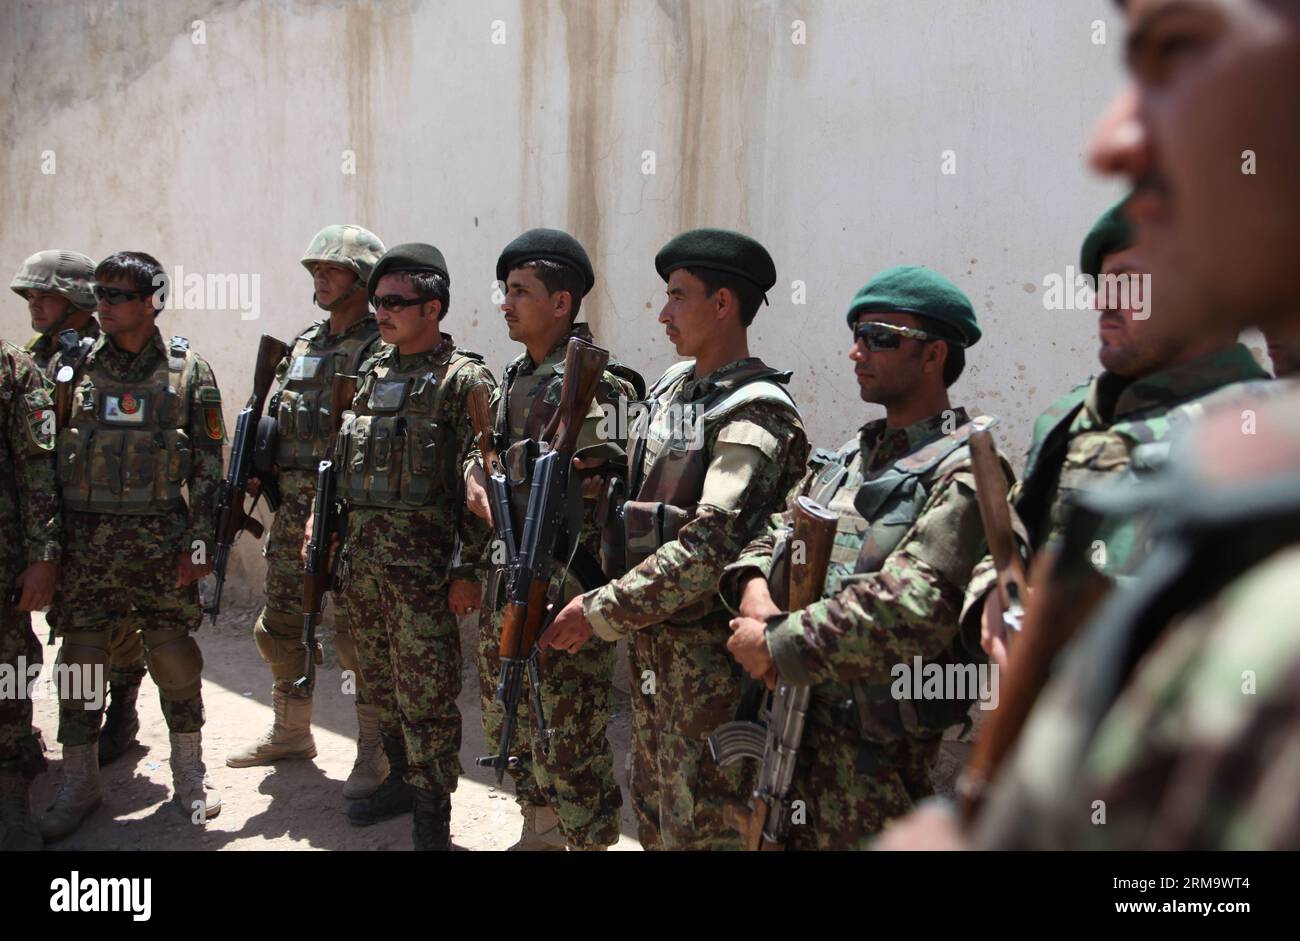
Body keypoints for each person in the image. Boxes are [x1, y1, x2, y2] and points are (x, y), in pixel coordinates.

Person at [878, 0, 1300, 851]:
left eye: (1181, 46)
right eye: (1103, 285)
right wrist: (993, 614)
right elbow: (1013, 549)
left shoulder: (1246, 432)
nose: (1111, 303)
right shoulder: (1068, 416)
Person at [542, 228, 810, 850]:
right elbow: (650, 490)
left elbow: (708, 548)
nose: (663, 312)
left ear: (723, 305)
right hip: (655, 656)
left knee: (709, 820)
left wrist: (600, 610)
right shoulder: (670, 390)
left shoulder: (755, 411)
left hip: (712, 666)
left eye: (678, 296)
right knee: (657, 810)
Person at [719, 266, 998, 848]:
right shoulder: (847, 459)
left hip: (870, 770)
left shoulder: (966, 475)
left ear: (933, 355)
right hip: (788, 736)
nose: (856, 351)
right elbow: (772, 531)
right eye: (856, 334)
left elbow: (912, 609)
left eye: (880, 337)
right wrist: (754, 589)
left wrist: (775, 642)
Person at [968, 200, 1270, 671]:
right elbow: (1016, 540)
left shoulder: (1268, 434)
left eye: (1127, 283)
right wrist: (993, 591)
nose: (1101, 302)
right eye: (1102, 283)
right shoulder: (1070, 416)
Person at [39, 251, 224, 841]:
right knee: (81, 661)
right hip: (85, 545)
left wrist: (199, 545)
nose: (104, 305)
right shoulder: (68, 368)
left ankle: (189, 772)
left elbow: (209, 469)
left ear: (152, 301)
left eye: (117, 295)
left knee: (173, 655)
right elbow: (41, 465)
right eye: (99, 293)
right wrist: (47, 548)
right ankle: (80, 779)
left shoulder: (188, 371)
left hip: (159, 541)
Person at [464, 228, 639, 850]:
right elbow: (483, 454)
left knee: (567, 734)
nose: (505, 303)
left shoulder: (601, 384)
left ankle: (588, 840)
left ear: (561, 302)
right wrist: (475, 476)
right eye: (505, 290)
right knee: (508, 715)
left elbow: (609, 481)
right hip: (507, 575)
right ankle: (538, 833)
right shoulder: (515, 376)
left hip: (566, 583)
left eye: (520, 291)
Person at [333, 243, 496, 850]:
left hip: (424, 573)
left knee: (426, 693)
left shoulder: (464, 380)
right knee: (378, 682)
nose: (381, 311)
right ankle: (401, 780)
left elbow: (482, 478)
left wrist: (467, 569)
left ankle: (434, 815)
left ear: (433, 307)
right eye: (377, 301)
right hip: (364, 567)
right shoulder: (371, 370)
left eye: (395, 302)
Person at [226, 224, 390, 801]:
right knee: (280, 627)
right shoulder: (302, 344)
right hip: (292, 508)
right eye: (315, 268)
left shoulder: (382, 349)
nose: (320, 277)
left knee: (354, 638)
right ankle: (291, 731)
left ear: (362, 279)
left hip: (348, 513)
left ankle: (373, 752)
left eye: (333, 268)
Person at [0, 341, 60, 850]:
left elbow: (37, 467)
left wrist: (43, 555)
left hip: (3, 557)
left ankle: (11, 797)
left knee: (7, 675)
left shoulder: (12, 368)